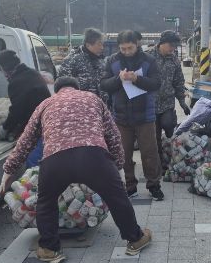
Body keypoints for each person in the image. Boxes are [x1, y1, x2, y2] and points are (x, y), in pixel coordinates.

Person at [0, 77, 152, 263]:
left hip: (55, 160)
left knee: (46, 202)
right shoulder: (93, 99)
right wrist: (118, 166)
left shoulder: (45, 104)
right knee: (117, 197)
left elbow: (26, 141)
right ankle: (135, 239)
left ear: (57, 91)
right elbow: (113, 136)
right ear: (77, 88)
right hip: (93, 156)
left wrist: (8, 171)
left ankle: (49, 249)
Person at [100, 30, 164, 200]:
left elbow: (156, 83)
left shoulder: (149, 60)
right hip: (121, 117)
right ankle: (129, 186)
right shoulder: (112, 61)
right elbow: (104, 84)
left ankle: (154, 185)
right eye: (123, 48)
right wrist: (118, 79)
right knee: (123, 154)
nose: (127, 51)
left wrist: (137, 79)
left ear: (137, 44)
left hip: (145, 116)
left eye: (130, 48)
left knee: (149, 153)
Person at [0, 50, 51, 167]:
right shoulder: (32, 73)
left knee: (34, 161)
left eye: (0, 69)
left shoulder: (17, 82)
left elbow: (17, 110)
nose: (2, 73)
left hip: (37, 126)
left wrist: (5, 128)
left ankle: (36, 176)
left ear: (6, 68)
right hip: (46, 120)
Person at [147, 30, 190, 168]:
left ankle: (169, 154)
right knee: (154, 137)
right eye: (171, 45)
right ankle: (158, 163)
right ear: (162, 43)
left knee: (168, 126)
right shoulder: (147, 57)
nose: (173, 48)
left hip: (167, 103)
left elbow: (179, 82)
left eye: (175, 46)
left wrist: (182, 103)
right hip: (150, 104)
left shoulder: (174, 60)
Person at [57, 28, 108, 103]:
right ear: (88, 45)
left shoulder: (101, 61)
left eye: (102, 44)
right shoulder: (72, 60)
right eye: (99, 44)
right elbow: (62, 87)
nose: (102, 47)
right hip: (80, 106)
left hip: (100, 105)